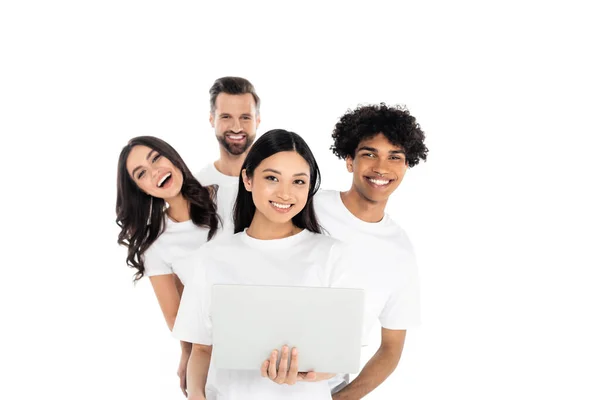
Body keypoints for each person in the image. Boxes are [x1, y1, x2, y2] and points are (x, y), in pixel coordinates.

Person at [172, 129, 356, 400]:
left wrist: (310, 373)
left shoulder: (331, 255)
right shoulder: (211, 257)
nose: (285, 193)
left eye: (298, 182)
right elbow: (201, 350)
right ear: (247, 178)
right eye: (272, 178)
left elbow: (339, 356)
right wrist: (196, 394)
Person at [313, 103, 429, 399]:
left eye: (394, 157)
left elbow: (391, 347)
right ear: (349, 160)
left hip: (326, 387)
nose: (381, 168)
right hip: (254, 376)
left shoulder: (400, 251)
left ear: (406, 165)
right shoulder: (307, 206)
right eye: (369, 154)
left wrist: (341, 398)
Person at [116, 135, 229, 396]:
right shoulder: (155, 243)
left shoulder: (228, 195)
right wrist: (188, 351)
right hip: (216, 347)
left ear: (172, 156)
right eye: (142, 173)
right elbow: (177, 316)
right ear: (141, 189)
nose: (155, 172)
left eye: (156, 158)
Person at [195, 76, 261, 188]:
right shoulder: (199, 185)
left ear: (257, 121)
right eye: (226, 117)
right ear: (212, 120)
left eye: (245, 117)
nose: (236, 128)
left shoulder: (275, 178)